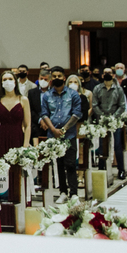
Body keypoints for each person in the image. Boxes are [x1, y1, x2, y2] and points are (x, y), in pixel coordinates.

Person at [39, 66, 82, 197]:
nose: (57, 78)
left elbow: (76, 113)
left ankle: (73, 193)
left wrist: (64, 129)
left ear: (64, 78)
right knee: (59, 164)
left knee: (70, 164)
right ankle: (63, 192)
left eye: (59, 76)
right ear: (51, 78)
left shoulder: (73, 94)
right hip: (53, 135)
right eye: (54, 76)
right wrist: (53, 129)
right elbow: (44, 113)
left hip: (69, 134)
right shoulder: (46, 95)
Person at [93, 67, 127, 179]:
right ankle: (101, 169)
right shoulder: (97, 88)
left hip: (115, 121)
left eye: (109, 73)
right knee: (102, 146)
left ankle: (121, 170)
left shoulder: (118, 89)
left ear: (113, 75)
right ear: (102, 75)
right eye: (105, 73)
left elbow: (122, 105)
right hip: (102, 121)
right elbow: (95, 105)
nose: (107, 74)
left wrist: (113, 117)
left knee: (117, 145)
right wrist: (103, 117)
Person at [0, 70, 31, 156]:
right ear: (1, 83)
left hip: (17, 136)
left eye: (10, 79)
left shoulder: (23, 100)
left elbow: (27, 125)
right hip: (1, 137)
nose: (8, 81)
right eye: (5, 79)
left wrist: (25, 145)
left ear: (15, 81)